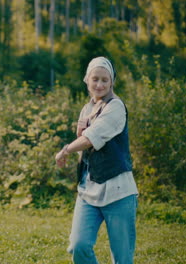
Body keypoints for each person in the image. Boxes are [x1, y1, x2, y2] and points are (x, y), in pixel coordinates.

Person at [55, 56, 138, 264]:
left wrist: (65, 150)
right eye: (95, 79)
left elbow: (91, 138)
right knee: (78, 246)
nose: (99, 84)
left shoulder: (116, 107)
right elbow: (83, 139)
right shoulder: (86, 108)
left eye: (105, 80)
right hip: (88, 190)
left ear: (111, 83)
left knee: (122, 258)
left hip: (119, 192)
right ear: (87, 80)